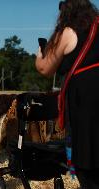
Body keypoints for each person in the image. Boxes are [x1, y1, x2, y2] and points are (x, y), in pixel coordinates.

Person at [35, 0, 99, 188]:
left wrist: (40, 54)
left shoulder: (69, 31)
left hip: (85, 98)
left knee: (87, 157)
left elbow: (45, 68)